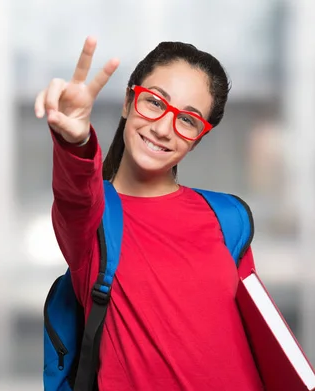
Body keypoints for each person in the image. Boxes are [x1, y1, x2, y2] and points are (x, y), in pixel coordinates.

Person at [34, 37, 264, 390]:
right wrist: (74, 141)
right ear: (129, 101)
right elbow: (75, 192)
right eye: (154, 102)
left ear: (199, 137)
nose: (161, 128)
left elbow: (260, 339)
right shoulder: (93, 219)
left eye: (187, 120)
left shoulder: (229, 218)